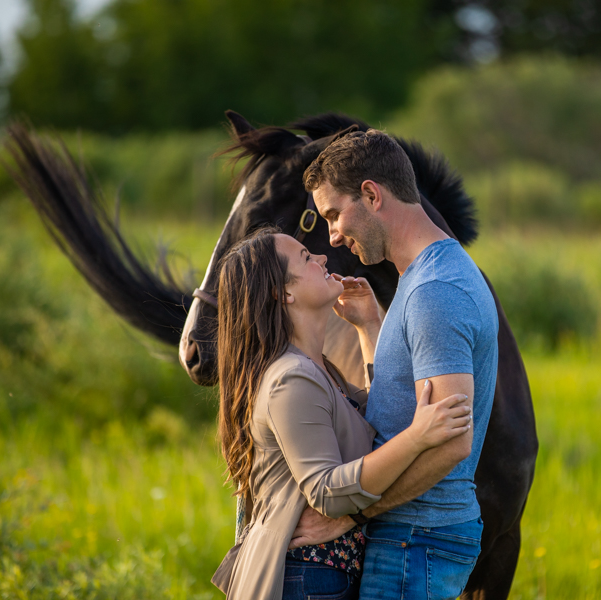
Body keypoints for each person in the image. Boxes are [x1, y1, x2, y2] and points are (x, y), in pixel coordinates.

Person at [210, 226, 473, 600]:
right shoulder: (291, 378)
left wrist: (368, 327)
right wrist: (417, 438)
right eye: (305, 257)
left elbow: (371, 418)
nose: (321, 258)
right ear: (283, 293)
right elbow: (327, 492)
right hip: (305, 576)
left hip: (320, 576)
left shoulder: (318, 369)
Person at [296, 129, 499, 600]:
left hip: (419, 536)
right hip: (414, 534)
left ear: (371, 194)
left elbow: (450, 441)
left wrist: (351, 515)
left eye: (333, 214)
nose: (331, 234)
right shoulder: (420, 276)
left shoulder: (435, 291)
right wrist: (371, 328)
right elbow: (402, 405)